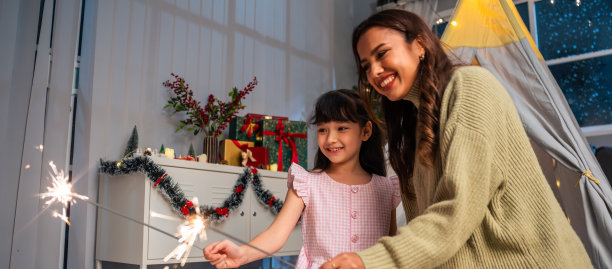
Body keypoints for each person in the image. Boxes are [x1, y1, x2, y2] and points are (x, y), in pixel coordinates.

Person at [320, 9, 592, 269]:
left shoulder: (471, 86)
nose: (375, 72)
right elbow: (427, 232)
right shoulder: (413, 130)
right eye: (366, 66)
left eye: (382, 54)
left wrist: (370, 261)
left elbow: (456, 210)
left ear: (419, 45)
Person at [203, 89, 401, 269]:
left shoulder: (386, 188)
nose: (330, 138)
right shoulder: (308, 183)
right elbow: (276, 235)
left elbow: (390, 248)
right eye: (323, 129)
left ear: (365, 131)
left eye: (342, 128)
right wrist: (242, 254)